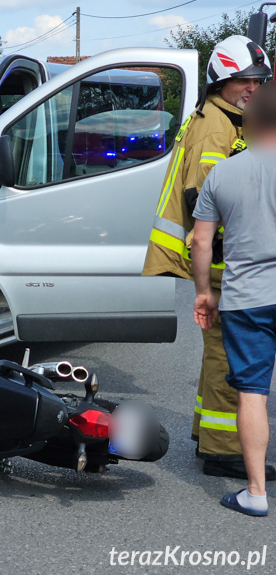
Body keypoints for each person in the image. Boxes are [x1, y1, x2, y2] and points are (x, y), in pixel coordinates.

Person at [142, 36, 274, 479]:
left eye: (259, 80)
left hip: (222, 261)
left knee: (217, 350)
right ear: (223, 81)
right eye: (247, 82)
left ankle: (207, 433)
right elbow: (208, 206)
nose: (255, 89)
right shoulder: (217, 128)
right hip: (224, 263)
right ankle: (225, 450)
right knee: (228, 358)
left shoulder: (223, 116)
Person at [191, 81, 276, 516]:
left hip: (247, 298)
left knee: (252, 395)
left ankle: (256, 493)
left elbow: (201, 243)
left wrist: (204, 293)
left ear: (249, 122)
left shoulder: (224, 171)